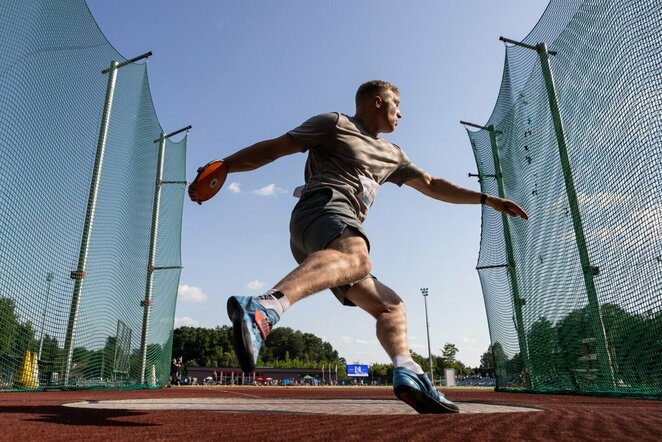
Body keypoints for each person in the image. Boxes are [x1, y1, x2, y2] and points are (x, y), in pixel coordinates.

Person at [190, 80, 528, 414]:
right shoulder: (335, 124)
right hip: (322, 209)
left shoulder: (394, 154)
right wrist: (227, 165)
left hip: (330, 242)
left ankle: (407, 369)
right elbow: (277, 148)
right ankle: (264, 307)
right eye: (397, 105)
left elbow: (431, 184)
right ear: (378, 102)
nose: (402, 114)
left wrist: (486, 199)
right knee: (358, 258)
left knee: (391, 306)